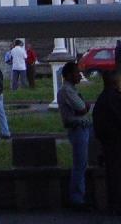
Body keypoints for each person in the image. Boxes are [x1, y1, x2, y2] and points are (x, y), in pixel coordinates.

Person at [57, 60, 92, 210]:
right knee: (80, 164)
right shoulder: (67, 91)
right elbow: (82, 108)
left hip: (82, 127)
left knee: (82, 163)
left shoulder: (71, 89)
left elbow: (83, 108)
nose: (80, 75)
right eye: (77, 72)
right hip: (77, 129)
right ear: (69, 75)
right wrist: (84, 106)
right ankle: (77, 198)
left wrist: (84, 107)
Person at [92, 68, 121, 213]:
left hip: (107, 142)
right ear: (115, 82)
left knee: (113, 173)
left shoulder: (102, 98)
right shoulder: (114, 98)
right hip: (115, 142)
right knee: (116, 174)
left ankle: (114, 202)